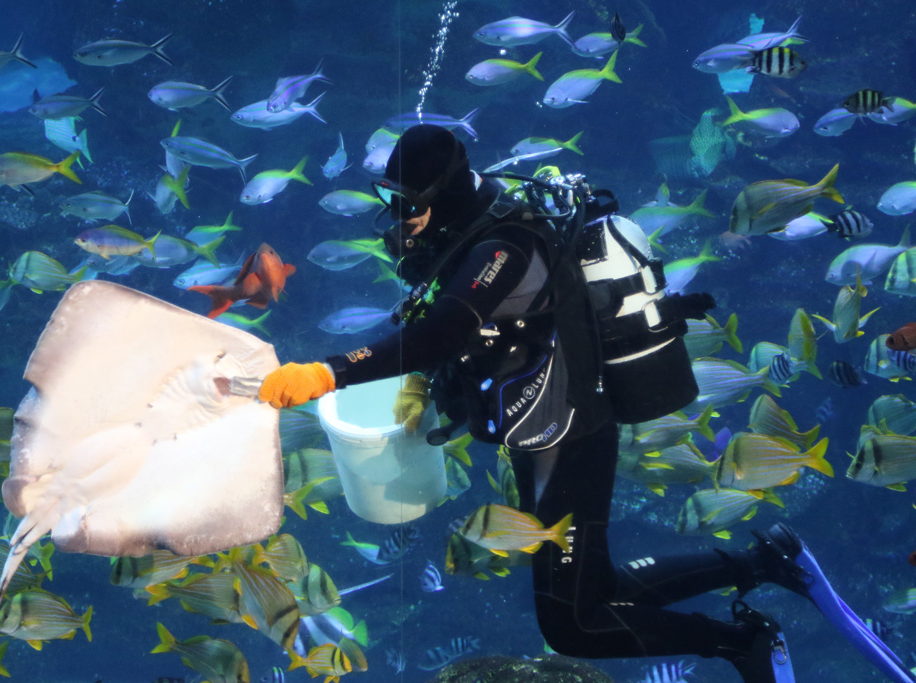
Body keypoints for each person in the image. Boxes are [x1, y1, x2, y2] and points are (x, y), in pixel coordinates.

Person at [257, 124, 909, 683]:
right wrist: (422, 385)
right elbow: (475, 336)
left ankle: (741, 641)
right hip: (544, 432)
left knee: (573, 625)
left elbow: (452, 327)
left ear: (446, 195)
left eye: (411, 206)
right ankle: (764, 561)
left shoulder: (503, 246)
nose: (400, 222)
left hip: (567, 437)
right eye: (391, 203)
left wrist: (331, 371)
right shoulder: (469, 239)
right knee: (599, 590)